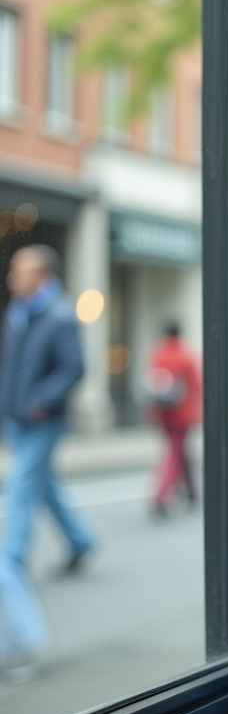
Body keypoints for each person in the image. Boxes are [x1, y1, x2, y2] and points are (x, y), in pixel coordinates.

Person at [0, 244, 95, 575]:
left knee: (21, 488)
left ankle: (9, 563)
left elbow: (74, 367)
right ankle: (81, 540)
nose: (13, 279)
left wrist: (42, 400)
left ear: (43, 276)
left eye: (21, 272)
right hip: (17, 419)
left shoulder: (60, 315)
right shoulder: (18, 313)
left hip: (44, 421)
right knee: (44, 487)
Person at [145, 322, 202, 518]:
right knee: (175, 454)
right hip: (183, 414)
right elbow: (196, 385)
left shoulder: (158, 354)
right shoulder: (185, 355)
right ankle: (160, 496)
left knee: (179, 451)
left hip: (164, 414)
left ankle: (193, 492)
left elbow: (153, 383)